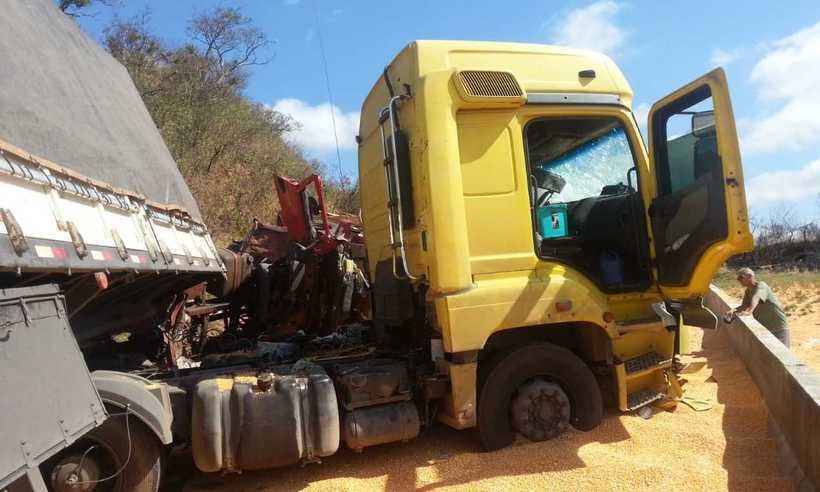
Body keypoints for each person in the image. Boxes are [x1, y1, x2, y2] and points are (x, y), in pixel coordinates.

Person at [727, 267, 790, 347]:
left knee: (783, 353)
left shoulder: (761, 286)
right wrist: (733, 311)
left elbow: (756, 297)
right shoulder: (748, 291)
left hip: (777, 326)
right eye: (738, 278)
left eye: (741, 278)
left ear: (750, 276)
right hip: (765, 327)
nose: (739, 280)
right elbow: (744, 306)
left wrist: (749, 311)